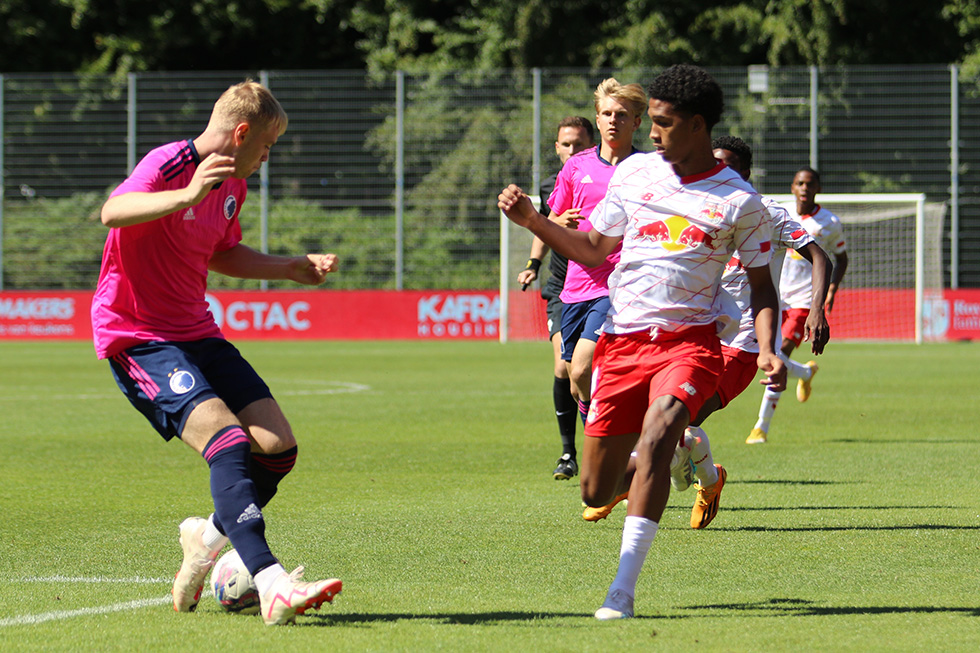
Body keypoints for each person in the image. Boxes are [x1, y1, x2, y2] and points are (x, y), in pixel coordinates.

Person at [498, 64, 786, 620]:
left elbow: (761, 285)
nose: (652, 133)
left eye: (664, 123)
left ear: (697, 126)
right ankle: (674, 461)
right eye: (650, 121)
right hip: (623, 344)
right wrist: (534, 221)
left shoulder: (740, 201)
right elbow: (591, 248)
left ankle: (622, 591)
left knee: (658, 433)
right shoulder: (635, 177)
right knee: (594, 490)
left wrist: (769, 347)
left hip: (689, 344)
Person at [91, 80, 342, 626]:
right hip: (138, 336)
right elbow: (114, 212)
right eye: (267, 145)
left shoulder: (233, 187)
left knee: (277, 449)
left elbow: (222, 252)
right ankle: (272, 583)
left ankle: (205, 539)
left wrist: (289, 268)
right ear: (242, 132)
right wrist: (183, 196)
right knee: (227, 441)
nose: (268, 157)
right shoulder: (170, 164)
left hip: (197, 331)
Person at [582, 136, 833, 528]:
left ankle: (625, 486)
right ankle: (707, 478)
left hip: (743, 343)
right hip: (696, 335)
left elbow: (820, 256)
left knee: (668, 422)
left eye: (728, 165)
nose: (715, 171)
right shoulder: (696, 206)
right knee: (666, 423)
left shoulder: (765, 211)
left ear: (746, 174)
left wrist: (817, 309)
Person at [527, 78, 647, 481]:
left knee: (581, 369)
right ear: (598, 118)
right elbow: (552, 222)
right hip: (574, 287)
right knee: (578, 383)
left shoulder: (648, 170)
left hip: (621, 286)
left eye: (623, 116)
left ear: (638, 122)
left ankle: (614, 451)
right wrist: (551, 224)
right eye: (608, 114)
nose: (614, 121)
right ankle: (623, 450)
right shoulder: (576, 168)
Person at [517, 116, 595, 480]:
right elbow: (544, 224)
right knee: (565, 367)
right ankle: (568, 452)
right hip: (563, 288)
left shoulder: (609, 178)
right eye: (567, 144)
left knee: (590, 368)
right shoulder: (552, 185)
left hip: (603, 284)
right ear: (557, 148)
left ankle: (608, 441)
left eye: (580, 144)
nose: (572, 150)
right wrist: (534, 263)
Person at [747, 165, 848, 444]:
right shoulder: (780, 215)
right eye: (799, 183)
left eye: (810, 183)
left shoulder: (829, 222)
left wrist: (831, 288)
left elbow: (841, 258)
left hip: (805, 300)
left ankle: (761, 427)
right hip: (778, 296)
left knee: (776, 355)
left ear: (818, 189)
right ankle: (804, 372)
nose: (804, 188)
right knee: (766, 353)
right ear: (792, 187)